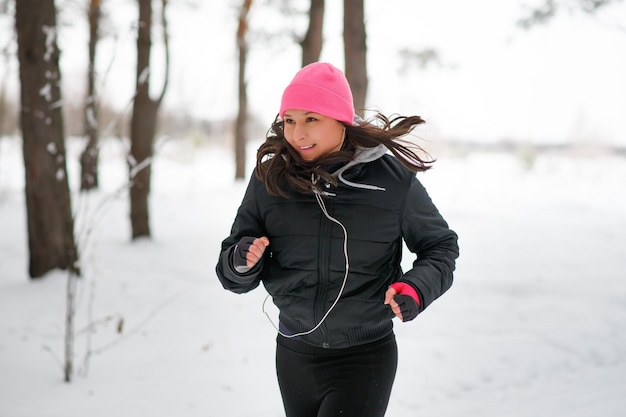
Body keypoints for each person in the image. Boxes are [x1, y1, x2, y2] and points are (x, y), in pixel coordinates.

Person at [216, 62, 459, 417]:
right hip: (294, 352)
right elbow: (231, 265)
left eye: (311, 119)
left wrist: (416, 288)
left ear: (340, 119)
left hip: (364, 357)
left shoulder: (391, 180)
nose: (297, 133)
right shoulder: (271, 179)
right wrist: (241, 261)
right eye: (290, 120)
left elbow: (440, 247)